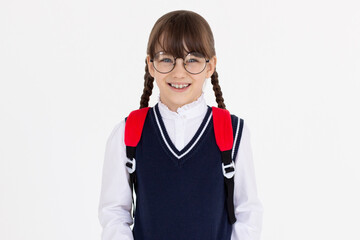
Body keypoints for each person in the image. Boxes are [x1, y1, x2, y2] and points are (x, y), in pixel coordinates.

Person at [98, 10, 264, 240]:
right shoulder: (127, 133)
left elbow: (248, 213)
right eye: (166, 59)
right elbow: (114, 213)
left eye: (192, 60)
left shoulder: (233, 133)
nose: (178, 72)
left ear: (210, 66)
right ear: (150, 64)